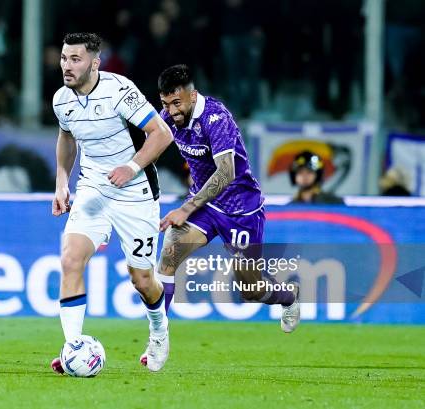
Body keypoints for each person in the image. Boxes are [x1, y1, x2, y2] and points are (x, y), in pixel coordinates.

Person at [143, 65, 300, 364]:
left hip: (242, 208)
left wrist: (186, 207)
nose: (172, 111)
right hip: (205, 205)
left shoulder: (216, 117)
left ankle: (288, 298)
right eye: (165, 104)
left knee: (250, 289)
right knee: (169, 253)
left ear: (192, 95)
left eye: (177, 103)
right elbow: (147, 149)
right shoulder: (169, 120)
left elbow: (226, 172)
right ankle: (158, 337)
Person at [50, 33, 174, 373]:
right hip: (93, 189)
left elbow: (162, 133)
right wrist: (62, 181)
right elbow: (66, 136)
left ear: (94, 62)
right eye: (64, 58)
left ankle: (159, 329)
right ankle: (73, 346)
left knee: (142, 280)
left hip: (135, 192)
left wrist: (131, 166)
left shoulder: (120, 90)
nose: (67, 66)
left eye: (75, 59)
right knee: (71, 258)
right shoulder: (62, 100)